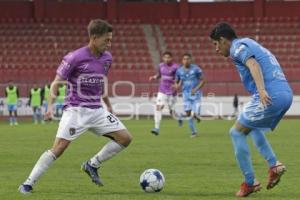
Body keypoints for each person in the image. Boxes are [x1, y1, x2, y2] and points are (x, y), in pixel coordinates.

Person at [18, 19, 132, 194]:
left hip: (97, 110)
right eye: (106, 40)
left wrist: (108, 105)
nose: (109, 44)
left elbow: (101, 83)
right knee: (59, 148)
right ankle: (28, 183)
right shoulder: (75, 57)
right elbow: (56, 83)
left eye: (111, 39)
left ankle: (92, 164)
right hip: (75, 110)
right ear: (94, 38)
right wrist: (49, 107)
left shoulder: (107, 58)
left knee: (125, 138)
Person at [210, 22, 293, 197]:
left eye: (216, 44)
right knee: (251, 127)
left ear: (224, 40)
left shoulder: (237, 47)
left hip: (270, 95)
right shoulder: (250, 43)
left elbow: (253, 65)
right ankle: (274, 165)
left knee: (236, 132)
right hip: (285, 93)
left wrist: (262, 90)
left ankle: (250, 183)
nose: (216, 49)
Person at [174, 53, 205, 138]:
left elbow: (203, 80)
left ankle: (195, 116)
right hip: (186, 94)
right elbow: (177, 81)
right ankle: (194, 132)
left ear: (191, 60)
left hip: (196, 94)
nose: (186, 61)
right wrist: (176, 86)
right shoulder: (179, 70)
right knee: (188, 114)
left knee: (195, 113)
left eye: (188, 59)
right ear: (182, 60)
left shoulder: (196, 69)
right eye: (184, 59)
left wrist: (196, 89)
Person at [149, 51, 178, 135]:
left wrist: (176, 84)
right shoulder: (160, 65)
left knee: (172, 112)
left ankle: (179, 118)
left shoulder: (176, 67)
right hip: (162, 91)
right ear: (163, 58)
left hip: (172, 92)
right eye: (165, 57)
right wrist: (153, 77)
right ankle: (156, 128)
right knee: (158, 107)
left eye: (168, 57)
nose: (166, 59)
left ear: (171, 58)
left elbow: (178, 79)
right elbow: (159, 75)